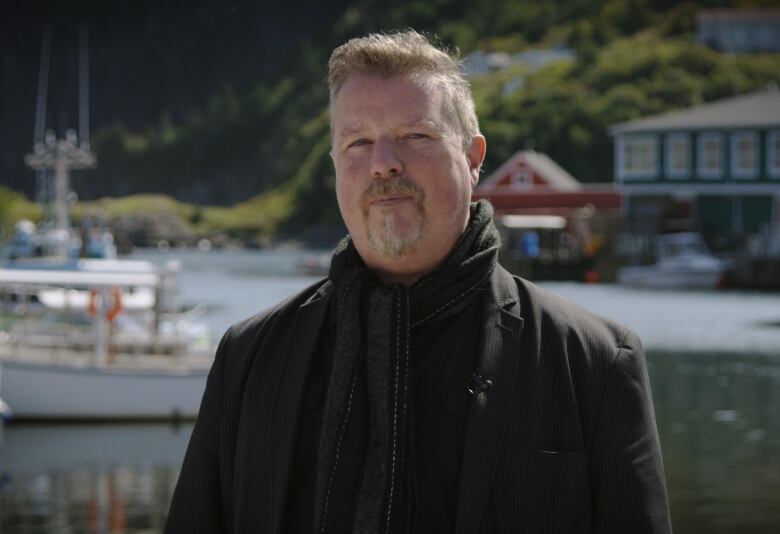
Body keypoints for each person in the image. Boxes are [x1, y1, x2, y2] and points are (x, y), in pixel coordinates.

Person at [165, 30, 672, 534]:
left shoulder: (594, 362)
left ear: (473, 160)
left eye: (415, 136)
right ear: (336, 165)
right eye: (358, 142)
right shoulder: (249, 358)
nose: (384, 162)